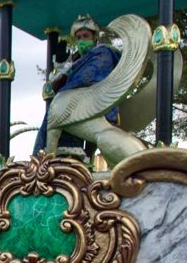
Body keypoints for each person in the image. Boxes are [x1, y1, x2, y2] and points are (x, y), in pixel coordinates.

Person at [33, 14, 121, 160]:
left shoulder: (103, 53)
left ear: (94, 38)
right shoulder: (74, 60)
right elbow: (55, 86)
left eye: (85, 36)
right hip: (75, 105)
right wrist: (60, 66)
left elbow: (88, 76)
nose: (81, 40)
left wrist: (70, 76)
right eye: (78, 37)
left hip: (96, 102)